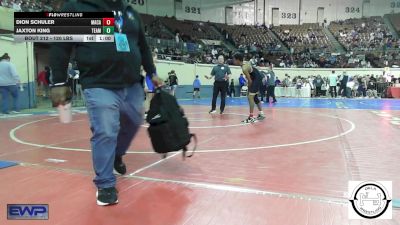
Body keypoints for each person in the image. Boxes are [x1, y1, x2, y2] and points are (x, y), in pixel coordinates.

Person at [49, 0, 161, 206]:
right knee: (106, 130)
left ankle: (117, 154)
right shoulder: (76, 7)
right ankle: (105, 184)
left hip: (131, 83)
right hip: (98, 82)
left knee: (134, 121)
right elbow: (60, 46)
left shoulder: (130, 12)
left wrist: (152, 72)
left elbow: (142, 46)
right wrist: (58, 80)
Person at [233, 52, 265, 123]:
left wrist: (249, 88)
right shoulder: (244, 63)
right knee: (255, 97)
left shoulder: (244, 68)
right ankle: (261, 114)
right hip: (257, 77)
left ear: (238, 60)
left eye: (234, 60)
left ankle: (251, 117)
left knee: (250, 97)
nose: (233, 61)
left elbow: (250, 80)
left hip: (256, 79)